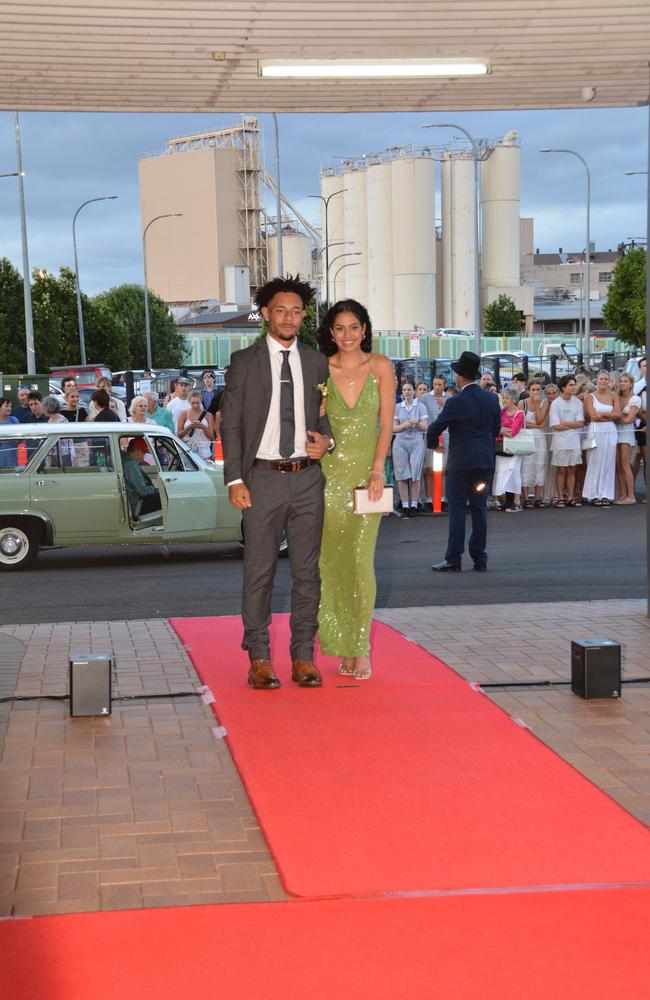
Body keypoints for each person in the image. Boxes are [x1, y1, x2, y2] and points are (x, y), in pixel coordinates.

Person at [221, 274, 333, 691]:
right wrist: (235, 478)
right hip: (261, 478)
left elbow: (323, 418)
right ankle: (259, 657)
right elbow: (230, 425)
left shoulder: (317, 361)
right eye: (280, 310)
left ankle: (303, 655)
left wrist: (328, 440)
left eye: (296, 311)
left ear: (304, 316)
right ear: (265, 313)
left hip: (307, 479)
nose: (288, 317)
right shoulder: (244, 361)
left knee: (307, 573)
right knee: (259, 572)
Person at [316, 299, 394, 681]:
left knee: (361, 563)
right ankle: (343, 646)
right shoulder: (322, 369)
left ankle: (360, 647)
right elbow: (317, 425)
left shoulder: (380, 367)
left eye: (354, 327)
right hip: (329, 480)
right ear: (331, 332)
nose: (347, 335)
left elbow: (386, 424)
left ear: (365, 329)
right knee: (332, 565)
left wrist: (378, 469)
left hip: (368, 480)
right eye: (339, 328)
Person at [427, 351, 501, 572]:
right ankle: (480, 558)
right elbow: (495, 429)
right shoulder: (491, 399)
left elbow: (434, 429)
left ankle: (454, 558)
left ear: (459, 377)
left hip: (461, 464)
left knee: (458, 509)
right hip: (484, 463)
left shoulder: (455, 402)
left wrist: (434, 445)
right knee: (479, 508)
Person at [582, 370, 620, 506]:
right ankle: (593, 494)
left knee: (609, 462)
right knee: (594, 461)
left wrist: (603, 415)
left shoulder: (614, 396)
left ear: (609, 381)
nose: (603, 381)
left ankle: (606, 494)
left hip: (610, 430)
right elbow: (593, 415)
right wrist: (608, 415)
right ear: (596, 380)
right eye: (601, 379)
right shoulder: (590, 396)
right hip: (595, 429)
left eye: (606, 379)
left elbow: (618, 414)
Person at [392, 382, 428, 517]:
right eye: (405, 390)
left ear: (414, 391)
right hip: (401, 441)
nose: (407, 392)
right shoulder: (397, 408)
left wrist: (416, 423)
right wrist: (405, 424)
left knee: (415, 474)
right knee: (401, 474)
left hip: (417, 440)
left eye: (409, 389)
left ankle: (414, 504)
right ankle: (405, 504)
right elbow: (393, 428)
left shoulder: (421, 407)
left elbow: (425, 427)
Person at [549, 375, 584, 508]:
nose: (573, 387)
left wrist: (565, 423)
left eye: (574, 384)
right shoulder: (556, 403)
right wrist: (572, 424)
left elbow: (580, 423)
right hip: (560, 442)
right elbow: (555, 426)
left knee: (572, 469)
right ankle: (560, 498)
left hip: (574, 441)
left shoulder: (577, 403)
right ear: (563, 387)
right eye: (570, 385)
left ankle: (571, 497)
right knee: (561, 470)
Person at [492, 387, 525, 511]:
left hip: (514, 448)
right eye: (504, 397)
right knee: (502, 473)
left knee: (513, 473)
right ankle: (508, 500)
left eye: (507, 398)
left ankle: (517, 501)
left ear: (514, 399)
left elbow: (513, 432)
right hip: (501, 447)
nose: (505, 400)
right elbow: (494, 426)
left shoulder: (519, 413)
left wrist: (500, 430)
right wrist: (500, 430)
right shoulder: (502, 411)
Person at [520, 379, 549, 507]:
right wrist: (536, 425)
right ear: (528, 390)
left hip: (540, 438)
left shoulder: (544, 402)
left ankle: (538, 497)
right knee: (526, 465)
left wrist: (537, 405)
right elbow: (521, 423)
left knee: (540, 465)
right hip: (526, 438)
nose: (536, 392)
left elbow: (540, 419)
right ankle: (526, 498)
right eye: (533, 389)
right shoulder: (522, 403)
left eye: (538, 389)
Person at [615, 372, 641, 504]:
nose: (622, 383)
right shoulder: (617, 396)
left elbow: (629, 419)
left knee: (625, 465)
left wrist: (616, 416)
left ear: (631, 384)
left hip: (626, 433)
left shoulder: (635, 399)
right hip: (615, 433)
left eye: (625, 381)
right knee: (618, 465)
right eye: (621, 381)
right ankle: (623, 494)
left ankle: (631, 496)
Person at [122, 437, 162, 516]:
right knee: (166, 498)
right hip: (137, 503)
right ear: (138, 451)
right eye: (144, 453)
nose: (144, 456)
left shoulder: (126, 460)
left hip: (133, 500)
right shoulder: (131, 464)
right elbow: (142, 491)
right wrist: (154, 490)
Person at [177, 389, 215, 459]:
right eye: (193, 403)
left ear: (201, 401)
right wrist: (190, 427)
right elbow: (179, 435)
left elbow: (212, 437)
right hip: (188, 449)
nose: (195, 405)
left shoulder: (208, 415)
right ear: (189, 402)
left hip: (204, 450)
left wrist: (203, 427)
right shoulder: (183, 414)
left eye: (197, 403)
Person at [0, 397, 19, 468]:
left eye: (11, 406)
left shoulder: (14, 420)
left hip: (12, 454)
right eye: (6, 406)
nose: (9, 408)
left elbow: (21, 438)